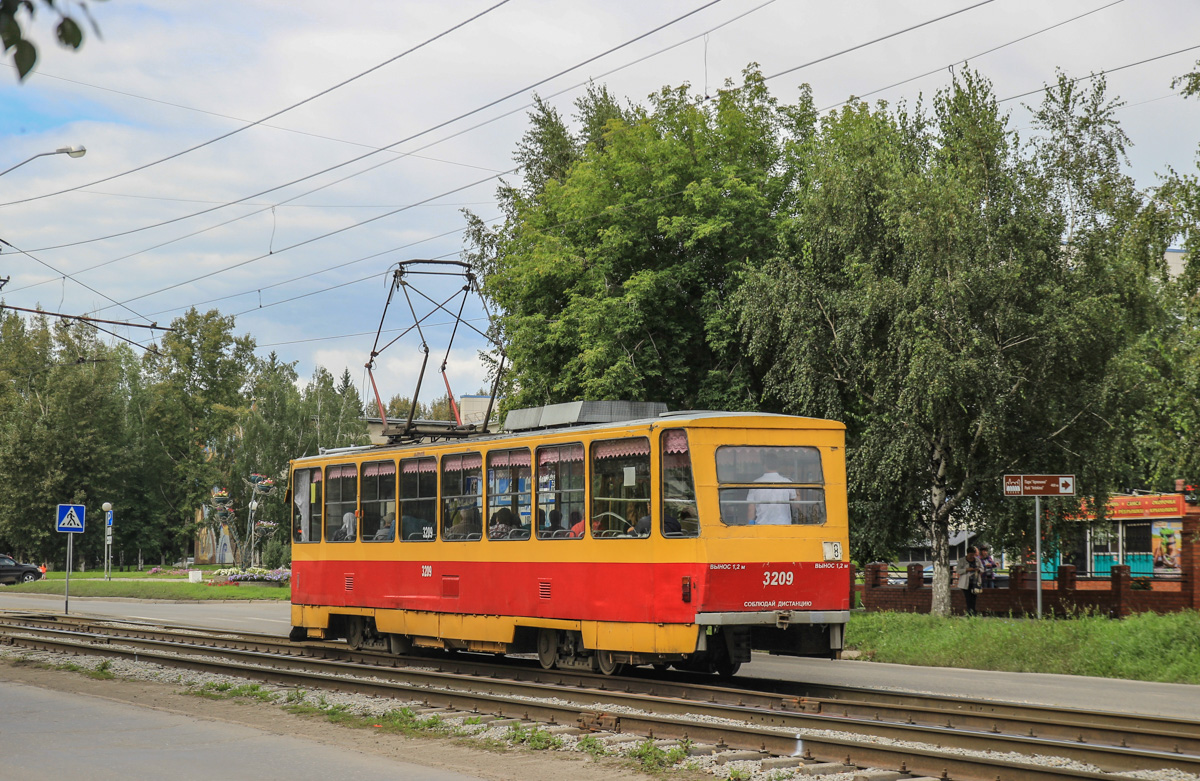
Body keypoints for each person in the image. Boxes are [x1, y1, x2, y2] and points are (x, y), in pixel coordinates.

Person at [746, 455, 797, 525]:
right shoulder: (788, 483)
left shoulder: (755, 484)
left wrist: (750, 524)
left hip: (762, 525)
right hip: (784, 525)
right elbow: (796, 505)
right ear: (779, 466)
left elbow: (751, 508)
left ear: (764, 465)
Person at [956, 547, 982, 615]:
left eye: (973, 555)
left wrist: (978, 570)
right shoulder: (962, 560)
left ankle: (973, 611)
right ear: (967, 554)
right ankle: (970, 612)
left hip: (975, 582)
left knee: (974, 597)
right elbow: (958, 571)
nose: (972, 557)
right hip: (966, 583)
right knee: (968, 598)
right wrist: (967, 570)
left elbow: (982, 568)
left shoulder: (977, 560)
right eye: (970, 555)